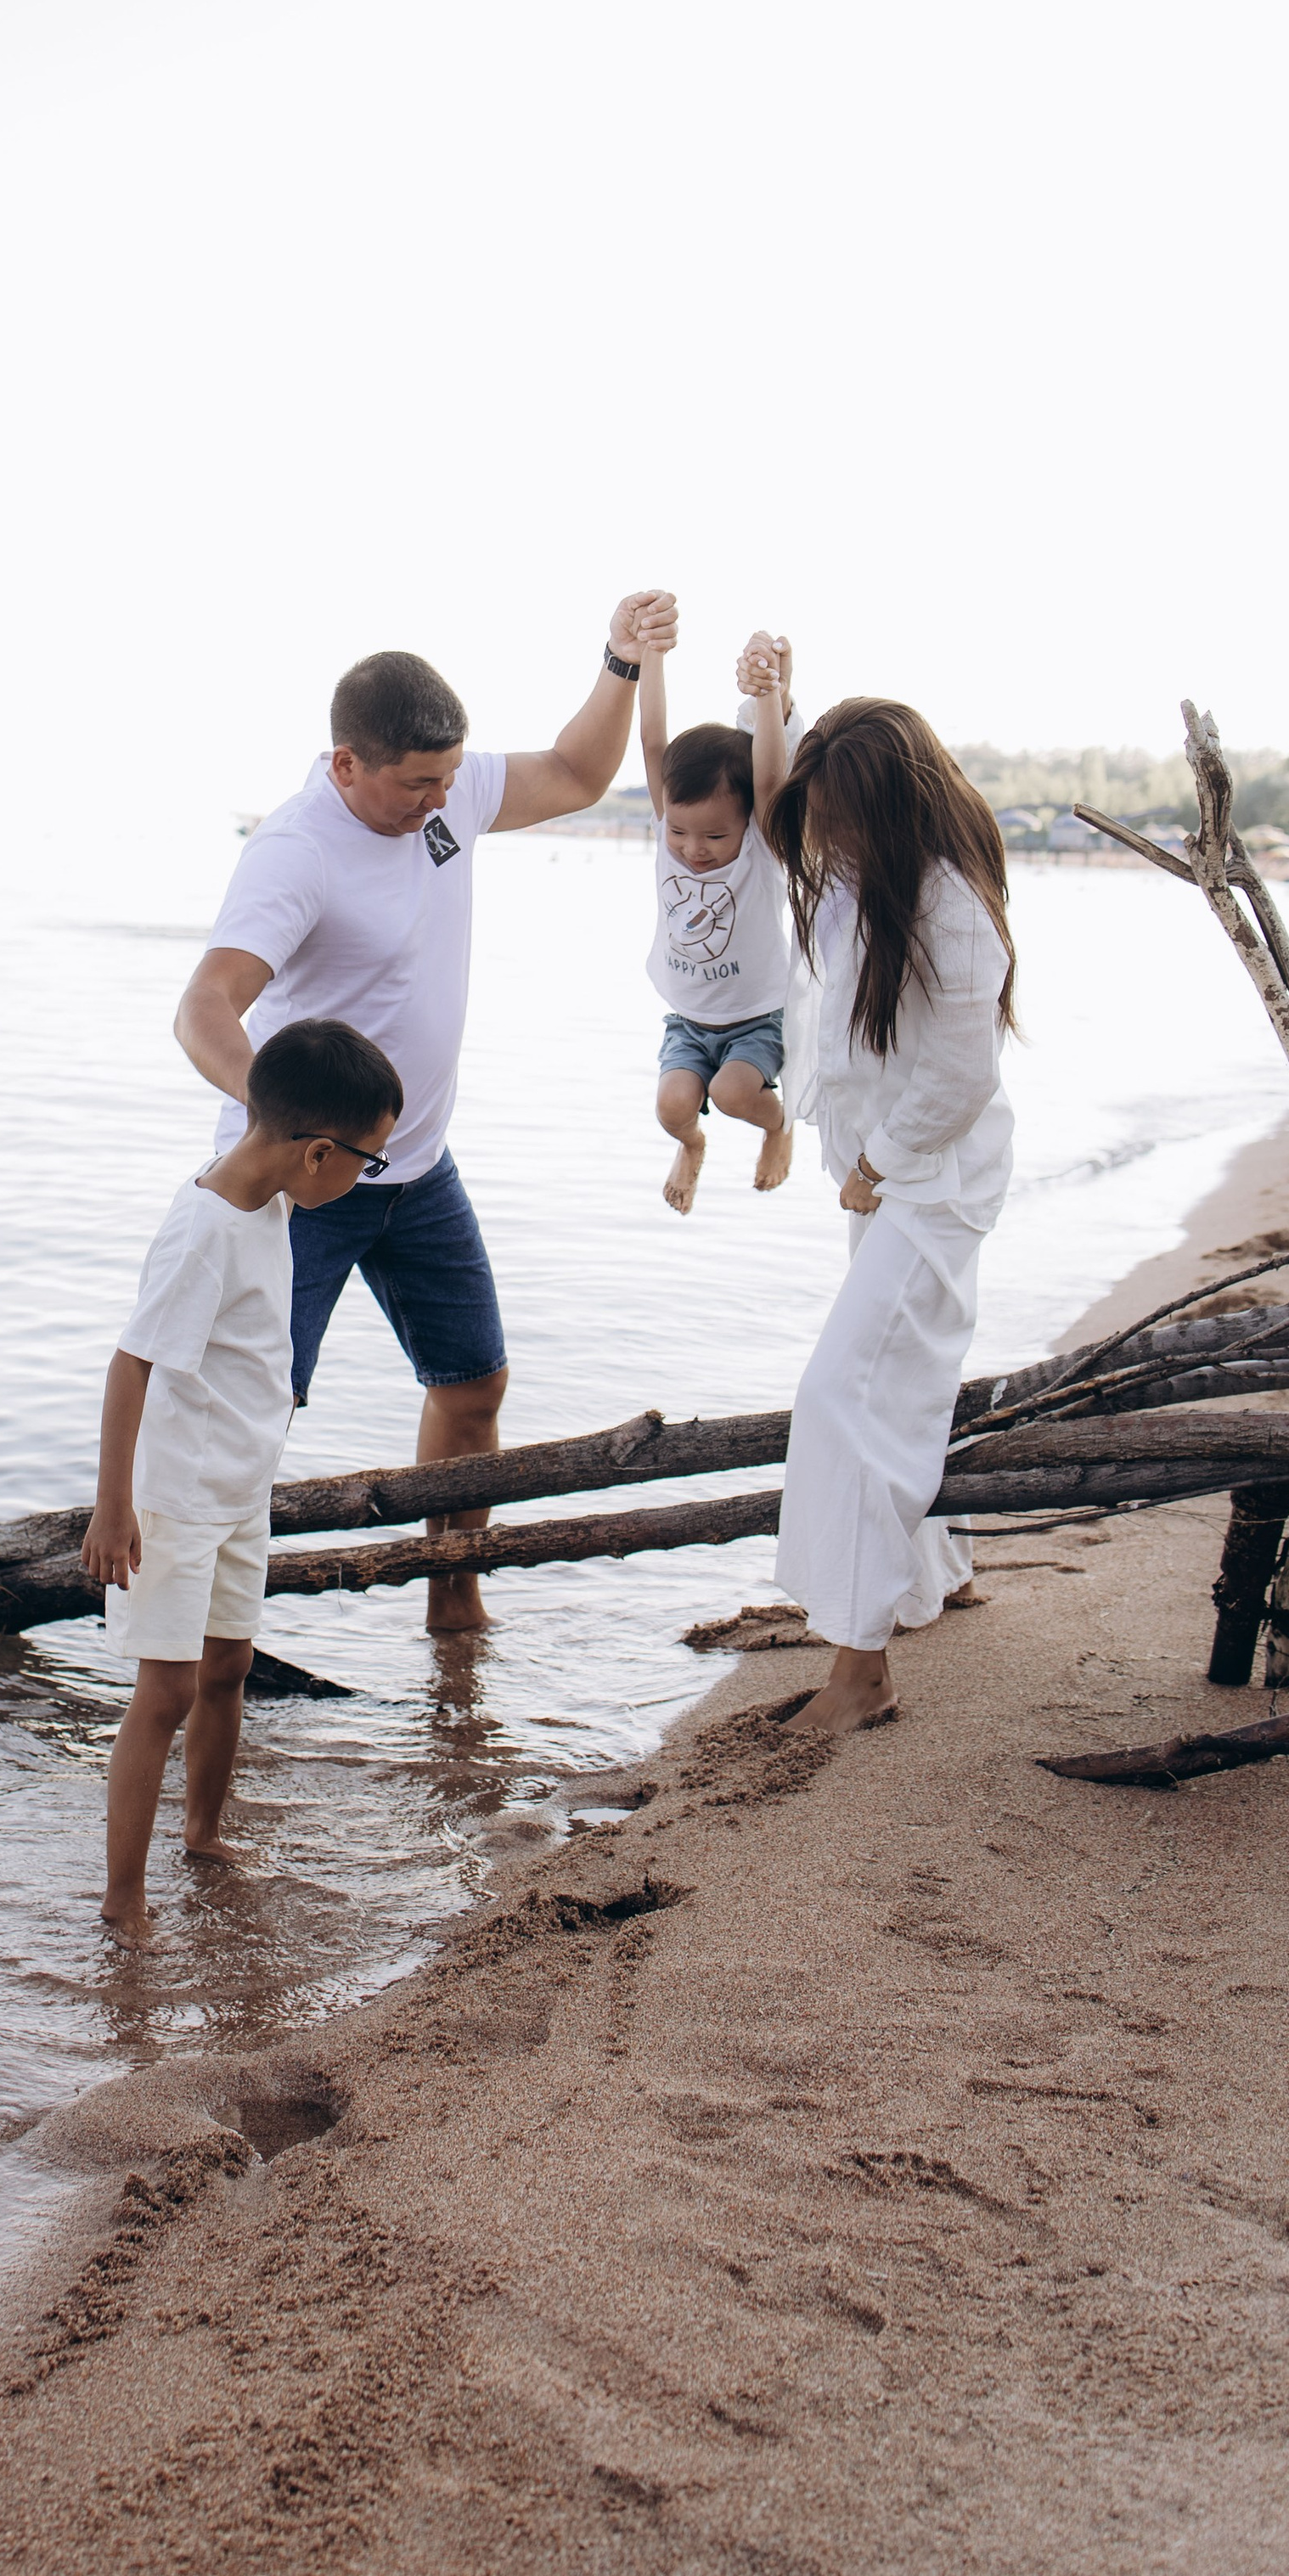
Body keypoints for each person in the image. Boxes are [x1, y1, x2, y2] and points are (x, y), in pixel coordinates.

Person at [174, 591, 678, 1634]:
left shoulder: (443, 792)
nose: (437, 804)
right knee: (255, 1413)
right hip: (303, 1185)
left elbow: (580, 776)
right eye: (415, 786)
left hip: (418, 1169)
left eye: (448, 782)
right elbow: (204, 1007)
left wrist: (620, 665)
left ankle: (456, 1604)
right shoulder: (294, 852)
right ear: (346, 764)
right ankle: (208, 1625)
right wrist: (284, 1120)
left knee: (473, 1384)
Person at [81, 1017, 403, 1943]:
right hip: (176, 1500)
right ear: (315, 1154)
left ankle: (204, 1834)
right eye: (366, 1161)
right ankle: (122, 1897)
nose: (364, 1177)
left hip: (238, 1492)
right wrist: (113, 1510)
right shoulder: (204, 1230)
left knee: (227, 1670)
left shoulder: (270, 1205)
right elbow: (130, 1364)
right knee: (167, 1692)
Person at [760, 697, 1018, 1736]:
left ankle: (859, 1667)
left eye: (846, 821)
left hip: (930, 1190)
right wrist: (764, 706)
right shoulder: (854, 881)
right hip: (882, 1179)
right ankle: (937, 1570)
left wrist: (875, 1161)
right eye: (822, 820)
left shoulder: (948, 905)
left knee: (845, 1394)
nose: (831, 840)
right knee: (900, 1380)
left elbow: (962, 1071)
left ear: (896, 810)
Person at [637, 621, 801, 1213]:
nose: (693, 848)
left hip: (757, 1016)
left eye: (713, 835)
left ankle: (778, 1127)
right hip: (689, 1018)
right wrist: (650, 655)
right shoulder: (667, 832)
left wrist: (769, 693)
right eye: (680, 831)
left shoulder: (761, 847)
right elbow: (654, 741)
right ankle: (692, 1148)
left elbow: (769, 775)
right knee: (672, 1108)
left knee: (734, 1093)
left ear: (746, 824)